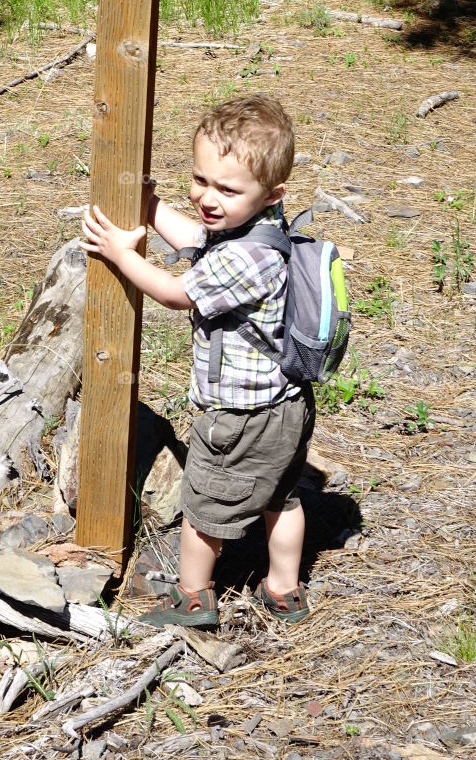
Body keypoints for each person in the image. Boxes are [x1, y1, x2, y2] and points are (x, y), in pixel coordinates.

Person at [81, 94, 314, 629]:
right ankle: (283, 588)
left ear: (273, 193)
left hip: (240, 417)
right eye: (200, 180)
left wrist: (121, 254)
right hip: (285, 406)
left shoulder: (247, 258)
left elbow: (174, 291)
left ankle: (192, 597)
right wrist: (153, 210)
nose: (208, 198)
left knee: (203, 509)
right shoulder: (258, 231)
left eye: (227, 190)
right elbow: (198, 240)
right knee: (283, 497)